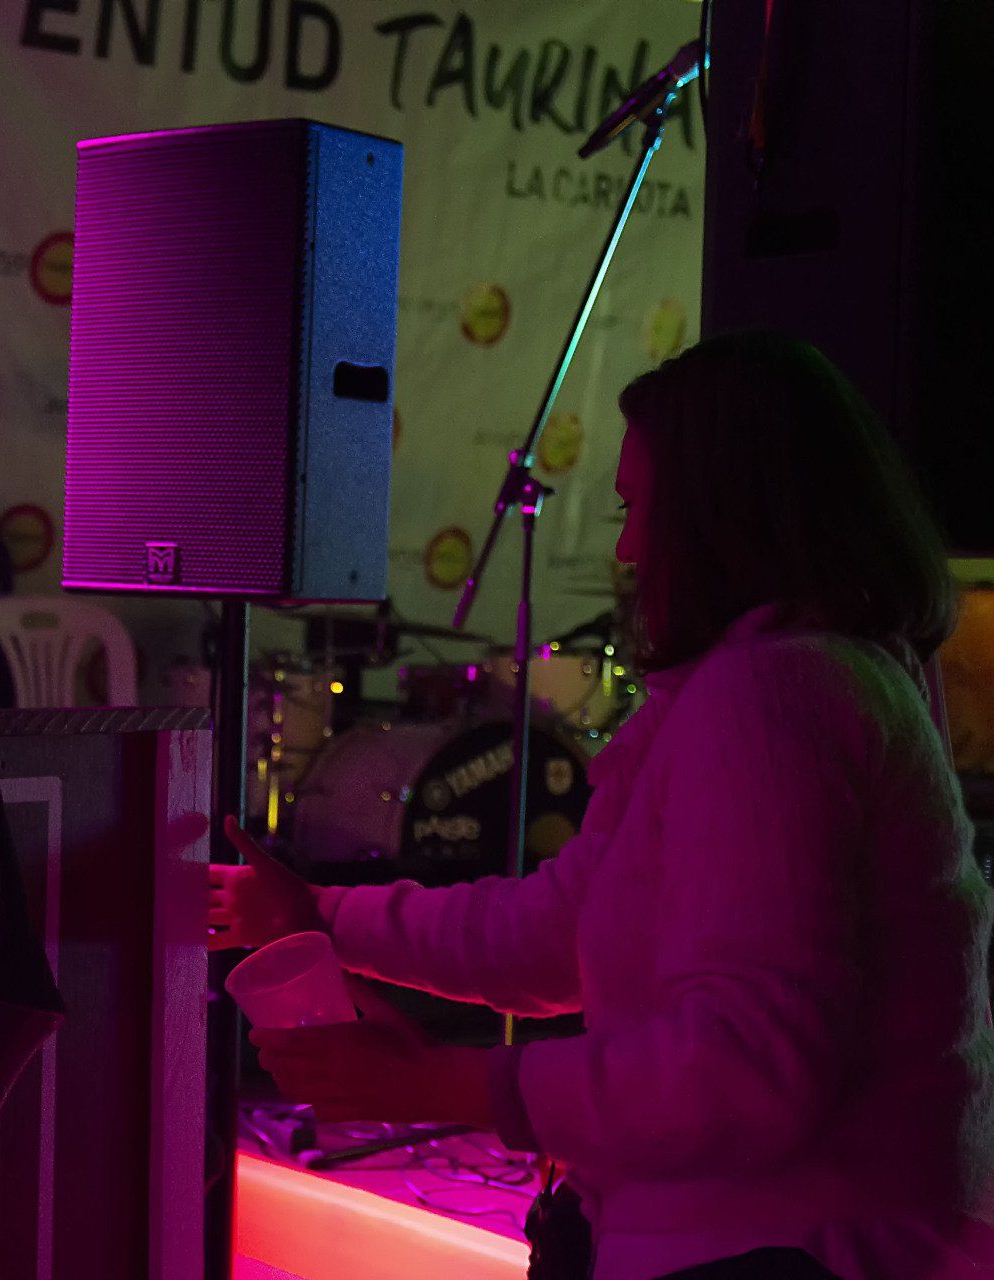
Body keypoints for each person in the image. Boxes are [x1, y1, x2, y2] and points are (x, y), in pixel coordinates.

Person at [210, 333, 994, 1279]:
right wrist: (322, 917)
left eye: (637, 508)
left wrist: (447, 1082)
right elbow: (555, 931)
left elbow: (746, 1070)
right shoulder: (793, 679)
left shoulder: (775, 697)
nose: (626, 547)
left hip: (783, 1251)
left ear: (721, 516)